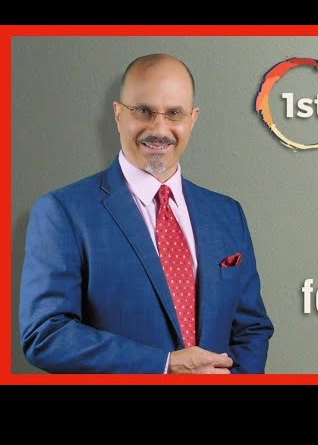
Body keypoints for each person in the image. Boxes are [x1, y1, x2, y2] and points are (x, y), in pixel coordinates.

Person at [19, 53, 274, 374]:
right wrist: (164, 366)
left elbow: (251, 328)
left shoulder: (227, 214)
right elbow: (46, 334)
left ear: (193, 119)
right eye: (144, 111)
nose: (159, 128)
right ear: (117, 114)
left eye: (174, 113)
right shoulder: (63, 212)